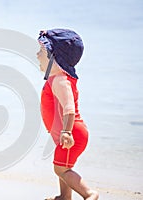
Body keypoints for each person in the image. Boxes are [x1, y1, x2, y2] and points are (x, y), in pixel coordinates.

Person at [37, 28, 99, 200]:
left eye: (41, 52)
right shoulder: (58, 78)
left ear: (54, 58)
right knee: (63, 165)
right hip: (68, 132)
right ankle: (65, 196)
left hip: (73, 132)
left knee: (60, 168)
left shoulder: (60, 80)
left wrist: (66, 131)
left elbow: (69, 108)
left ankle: (89, 194)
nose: (37, 55)